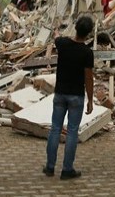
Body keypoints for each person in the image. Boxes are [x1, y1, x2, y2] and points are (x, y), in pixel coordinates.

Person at [43, 16, 94, 180]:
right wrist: (91, 100)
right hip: (76, 96)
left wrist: (56, 30)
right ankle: (67, 169)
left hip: (60, 94)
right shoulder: (87, 53)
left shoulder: (63, 44)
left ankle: (50, 167)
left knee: (55, 129)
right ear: (89, 33)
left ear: (76, 27)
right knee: (72, 132)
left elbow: (56, 37)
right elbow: (88, 78)